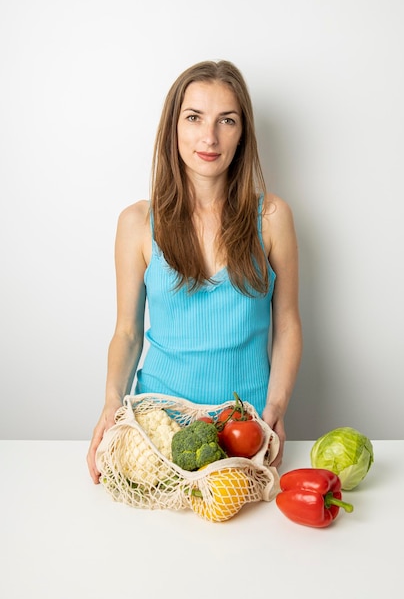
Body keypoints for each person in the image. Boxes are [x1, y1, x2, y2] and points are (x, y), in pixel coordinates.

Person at [87, 59, 302, 483]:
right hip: (156, 430)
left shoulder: (273, 217)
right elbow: (127, 332)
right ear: (174, 128)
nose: (210, 136)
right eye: (194, 118)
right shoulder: (136, 223)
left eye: (227, 120)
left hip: (243, 435)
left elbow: (289, 325)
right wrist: (111, 403)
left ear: (243, 135)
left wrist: (275, 408)